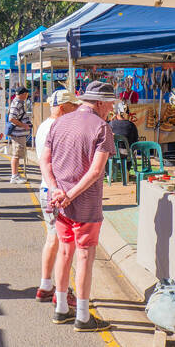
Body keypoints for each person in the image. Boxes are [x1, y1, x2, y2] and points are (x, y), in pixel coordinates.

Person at [41, 81, 116, 332]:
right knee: (84, 255)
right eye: (110, 103)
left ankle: (61, 308)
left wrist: (55, 189)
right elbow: (96, 171)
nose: (112, 108)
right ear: (100, 103)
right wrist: (71, 194)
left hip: (59, 203)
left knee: (64, 252)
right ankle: (82, 315)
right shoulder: (102, 128)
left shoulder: (60, 121)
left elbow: (45, 160)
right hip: (85, 205)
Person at [34, 90, 80, 306]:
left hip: (46, 189)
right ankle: (62, 292)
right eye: (73, 106)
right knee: (65, 243)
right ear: (62, 107)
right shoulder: (58, 127)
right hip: (57, 191)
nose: (77, 110)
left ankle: (45, 285)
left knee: (53, 237)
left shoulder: (44, 125)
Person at [8, 87, 32, 184]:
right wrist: (24, 125)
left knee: (17, 155)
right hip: (17, 134)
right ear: (23, 94)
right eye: (26, 94)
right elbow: (11, 118)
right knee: (16, 155)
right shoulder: (17, 103)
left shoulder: (18, 102)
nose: (26, 96)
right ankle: (14, 176)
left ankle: (16, 175)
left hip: (19, 134)